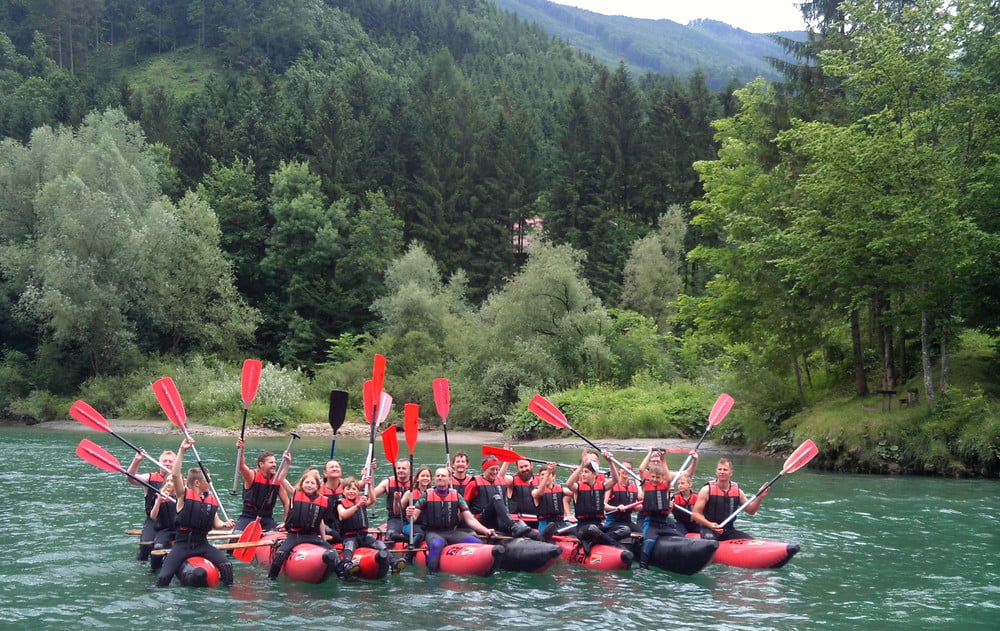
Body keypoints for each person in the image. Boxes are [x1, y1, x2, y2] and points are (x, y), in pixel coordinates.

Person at [155, 438, 236, 587]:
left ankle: (227, 596)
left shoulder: (210, 500)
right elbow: (175, 474)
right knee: (163, 578)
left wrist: (226, 525)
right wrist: (182, 450)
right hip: (182, 544)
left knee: (227, 566)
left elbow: (217, 524)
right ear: (197, 483)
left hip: (202, 544)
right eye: (208, 480)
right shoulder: (183, 495)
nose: (210, 483)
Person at [405, 467, 497, 573]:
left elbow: (470, 519)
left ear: (449, 479)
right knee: (437, 545)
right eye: (438, 475)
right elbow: (413, 518)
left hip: (452, 532)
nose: (440, 478)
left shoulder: (457, 496)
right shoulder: (426, 495)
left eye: (443, 475)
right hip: (433, 532)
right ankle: (432, 576)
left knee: (477, 542)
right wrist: (409, 514)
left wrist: (486, 530)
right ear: (435, 479)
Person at [268, 467, 349, 581]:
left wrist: (323, 539)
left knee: (333, 552)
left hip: (312, 536)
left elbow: (320, 522)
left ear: (317, 486)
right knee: (281, 553)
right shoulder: (295, 493)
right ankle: (271, 578)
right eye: (307, 482)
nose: (309, 485)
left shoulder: (323, 500)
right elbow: (281, 478)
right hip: (295, 535)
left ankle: (341, 574)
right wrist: (287, 463)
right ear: (302, 484)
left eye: (312, 483)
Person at [565, 450, 630, 552]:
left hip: (599, 526)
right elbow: (568, 483)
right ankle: (614, 544)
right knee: (591, 528)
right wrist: (582, 465)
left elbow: (615, 480)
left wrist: (610, 462)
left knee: (625, 529)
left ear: (594, 474)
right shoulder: (578, 487)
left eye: (586, 472)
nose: (583, 475)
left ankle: (594, 542)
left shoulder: (602, 485)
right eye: (582, 472)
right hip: (583, 528)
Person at [339, 477, 404, 576]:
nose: (351, 491)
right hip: (349, 536)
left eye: (354, 489)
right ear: (343, 491)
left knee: (379, 544)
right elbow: (343, 515)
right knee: (350, 545)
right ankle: (347, 564)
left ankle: (393, 561)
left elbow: (373, 499)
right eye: (348, 489)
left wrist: (369, 486)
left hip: (363, 536)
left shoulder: (361, 500)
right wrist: (357, 506)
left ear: (358, 491)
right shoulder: (340, 504)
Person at [691, 458, 769, 541]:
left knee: (750, 541)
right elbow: (695, 514)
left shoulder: (738, 491)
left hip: (728, 529)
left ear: (731, 473)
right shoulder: (706, 490)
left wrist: (760, 497)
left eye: (725, 470)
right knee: (710, 543)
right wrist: (710, 525)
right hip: (709, 528)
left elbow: (751, 511)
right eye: (720, 469)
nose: (722, 472)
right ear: (716, 471)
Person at [465, 455, 540, 539]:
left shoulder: (500, 481)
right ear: (485, 469)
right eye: (492, 469)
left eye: (497, 469)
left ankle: (539, 537)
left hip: (498, 520)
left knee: (520, 523)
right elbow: (464, 507)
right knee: (496, 498)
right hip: (481, 521)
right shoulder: (473, 484)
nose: (495, 472)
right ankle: (514, 527)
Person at [125, 448, 176, 562]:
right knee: (146, 546)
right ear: (159, 462)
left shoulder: (179, 481)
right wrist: (137, 460)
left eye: (170, 461)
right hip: (154, 521)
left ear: (175, 464)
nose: (167, 464)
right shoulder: (150, 478)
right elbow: (130, 477)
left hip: (173, 522)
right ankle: (142, 562)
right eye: (165, 461)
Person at [235, 439, 289, 532]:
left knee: (278, 539)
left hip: (267, 518)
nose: (274, 465)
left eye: (275, 462)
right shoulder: (252, 476)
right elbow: (242, 466)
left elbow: (287, 502)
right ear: (261, 464)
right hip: (248, 516)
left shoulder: (277, 480)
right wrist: (241, 449)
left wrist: (286, 522)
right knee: (236, 536)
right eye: (271, 462)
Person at [638, 464, 681, 569]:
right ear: (649, 476)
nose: (655, 479)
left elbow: (669, 478)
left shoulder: (666, 487)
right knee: (649, 541)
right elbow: (641, 470)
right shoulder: (646, 486)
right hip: (650, 523)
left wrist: (663, 459)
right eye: (652, 476)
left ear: (662, 478)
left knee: (681, 538)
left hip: (664, 523)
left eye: (658, 477)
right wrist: (649, 453)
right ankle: (643, 566)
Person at [371, 458, 411, 541]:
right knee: (391, 534)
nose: (400, 470)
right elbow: (371, 496)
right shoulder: (387, 482)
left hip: (412, 517)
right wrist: (370, 472)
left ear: (409, 470)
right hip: (395, 517)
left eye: (404, 468)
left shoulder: (415, 482)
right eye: (398, 468)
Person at [531, 462, 574, 540]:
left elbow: (577, 492)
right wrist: (548, 473)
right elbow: (540, 493)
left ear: (554, 476)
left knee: (577, 533)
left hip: (560, 523)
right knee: (550, 529)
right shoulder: (535, 491)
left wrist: (576, 475)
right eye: (542, 475)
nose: (544, 477)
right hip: (545, 524)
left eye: (546, 474)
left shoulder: (561, 489)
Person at [147, 475, 178, 573]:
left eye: (172, 481)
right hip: (165, 530)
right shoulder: (159, 496)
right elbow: (153, 516)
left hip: (180, 530)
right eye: (167, 481)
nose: (169, 483)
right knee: (158, 547)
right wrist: (158, 501)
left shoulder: (183, 496)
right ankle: (153, 570)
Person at [399, 465, 432, 555]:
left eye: (427, 476)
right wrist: (397, 500)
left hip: (425, 525)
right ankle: (408, 557)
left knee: (425, 533)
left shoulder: (433, 493)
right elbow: (398, 510)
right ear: (417, 479)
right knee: (420, 534)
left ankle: (399, 538)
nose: (425, 478)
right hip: (410, 525)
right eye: (423, 476)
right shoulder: (410, 493)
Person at [603, 458, 642, 534]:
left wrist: (647, 505)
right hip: (613, 520)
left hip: (627, 520)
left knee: (642, 534)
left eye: (628, 469)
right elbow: (603, 505)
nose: (626, 471)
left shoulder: (634, 486)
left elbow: (634, 508)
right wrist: (616, 508)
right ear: (619, 470)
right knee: (625, 529)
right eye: (623, 468)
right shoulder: (611, 485)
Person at [506, 458, 540, 528]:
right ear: (517, 468)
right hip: (518, 521)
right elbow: (500, 478)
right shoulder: (511, 481)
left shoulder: (541, 480)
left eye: (526, 466)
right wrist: (507, 461)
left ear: (531, 465)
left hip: (537, 519)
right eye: (521, 467)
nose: (524, 469)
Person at [320, 459, 345, 544]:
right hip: (325, 525)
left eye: (337, 467)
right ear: (325, 473)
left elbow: (364, 483)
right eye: (331, 467)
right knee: (338, 537)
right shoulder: (318, 490)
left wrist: (370, 470)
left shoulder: (347, 487)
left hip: (341, 524)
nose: (335, 469)